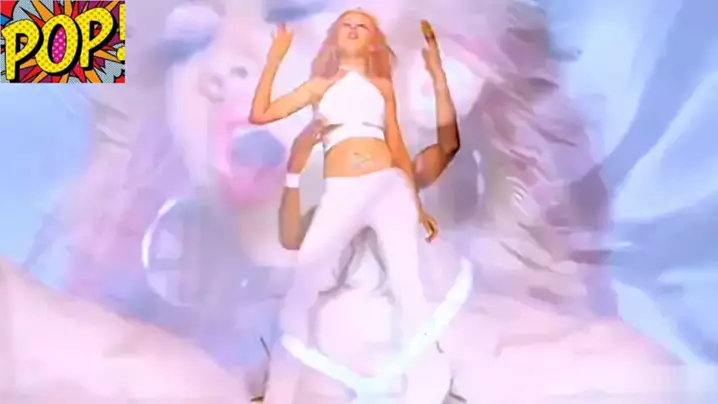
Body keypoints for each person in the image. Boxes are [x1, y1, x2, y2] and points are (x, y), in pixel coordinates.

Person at [248, 9, 441, 403]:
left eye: (362, 26)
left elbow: (397, 146)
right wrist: (276, 57)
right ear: (334, 38)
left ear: (373, 41)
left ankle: (426, 386)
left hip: (388, 183)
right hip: (344, 188)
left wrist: (417, 206)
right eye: (345, 25)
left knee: (407, 285)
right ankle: (279, 391)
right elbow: (261, 113)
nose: (352, 29)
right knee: (303, 290)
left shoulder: (383, 87)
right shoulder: (319, 86)